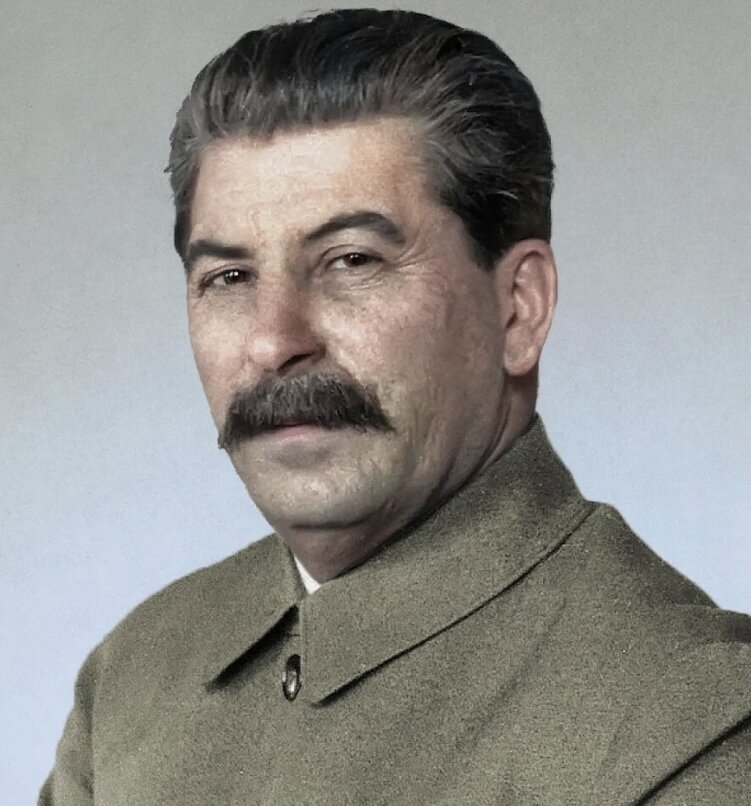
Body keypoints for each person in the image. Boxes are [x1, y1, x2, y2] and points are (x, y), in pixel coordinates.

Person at [40, 8, 749, 805]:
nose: (273, 341)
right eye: (229, 277)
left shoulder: (686, 732)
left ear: (518, 309)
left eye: (351, 260)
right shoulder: (134, 681)